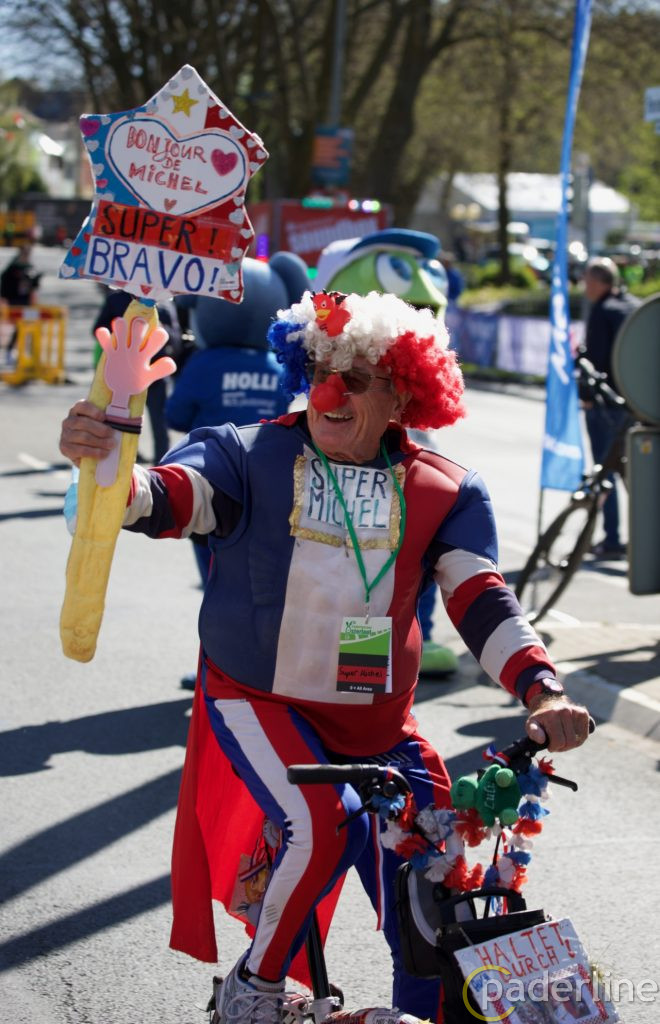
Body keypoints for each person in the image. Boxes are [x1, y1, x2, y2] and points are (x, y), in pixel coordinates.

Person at [59, 289, 591, 1024]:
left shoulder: (446, 489)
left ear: (403, 393)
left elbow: (480, 598)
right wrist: (110, 444)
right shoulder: (246, 454)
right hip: (258, 698)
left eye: (357, 378)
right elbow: (156, 498)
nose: (330, 393)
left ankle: (428, 1012)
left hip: (379, 725)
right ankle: (252, 992)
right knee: (322, 819)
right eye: (319, 372)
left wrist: (543, 691)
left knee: (434, 885)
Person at [580, 258, 640, 558]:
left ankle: (612, 539)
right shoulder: (634, 306)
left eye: (586, 281)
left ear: (597, 282)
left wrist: (586, 396)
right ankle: (645, 538)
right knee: (637, 474)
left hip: (606, 404)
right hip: (637, 404)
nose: (584, 287)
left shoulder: (602, 311)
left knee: (606, 472)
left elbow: (596, 361)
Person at [92, 288, 183, 463]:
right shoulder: (117, 300)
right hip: (121, 376)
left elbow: (176, 339)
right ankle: (116, 462)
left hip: (154, 375)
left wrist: (161, 330)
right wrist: (120, 334)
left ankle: (161, 465)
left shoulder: (164, 303)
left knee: (159, 424)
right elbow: (97, 329)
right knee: (116, 421)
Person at [0, 240, 41, 357]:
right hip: (15, 302)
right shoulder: (12, 269)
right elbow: (5, 285)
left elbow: (34, 286)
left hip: (27, 303)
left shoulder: (30, 267)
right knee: (19, 325)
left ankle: (25, 351)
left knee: (28, 325)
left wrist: (35, 281)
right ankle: (13, 350)